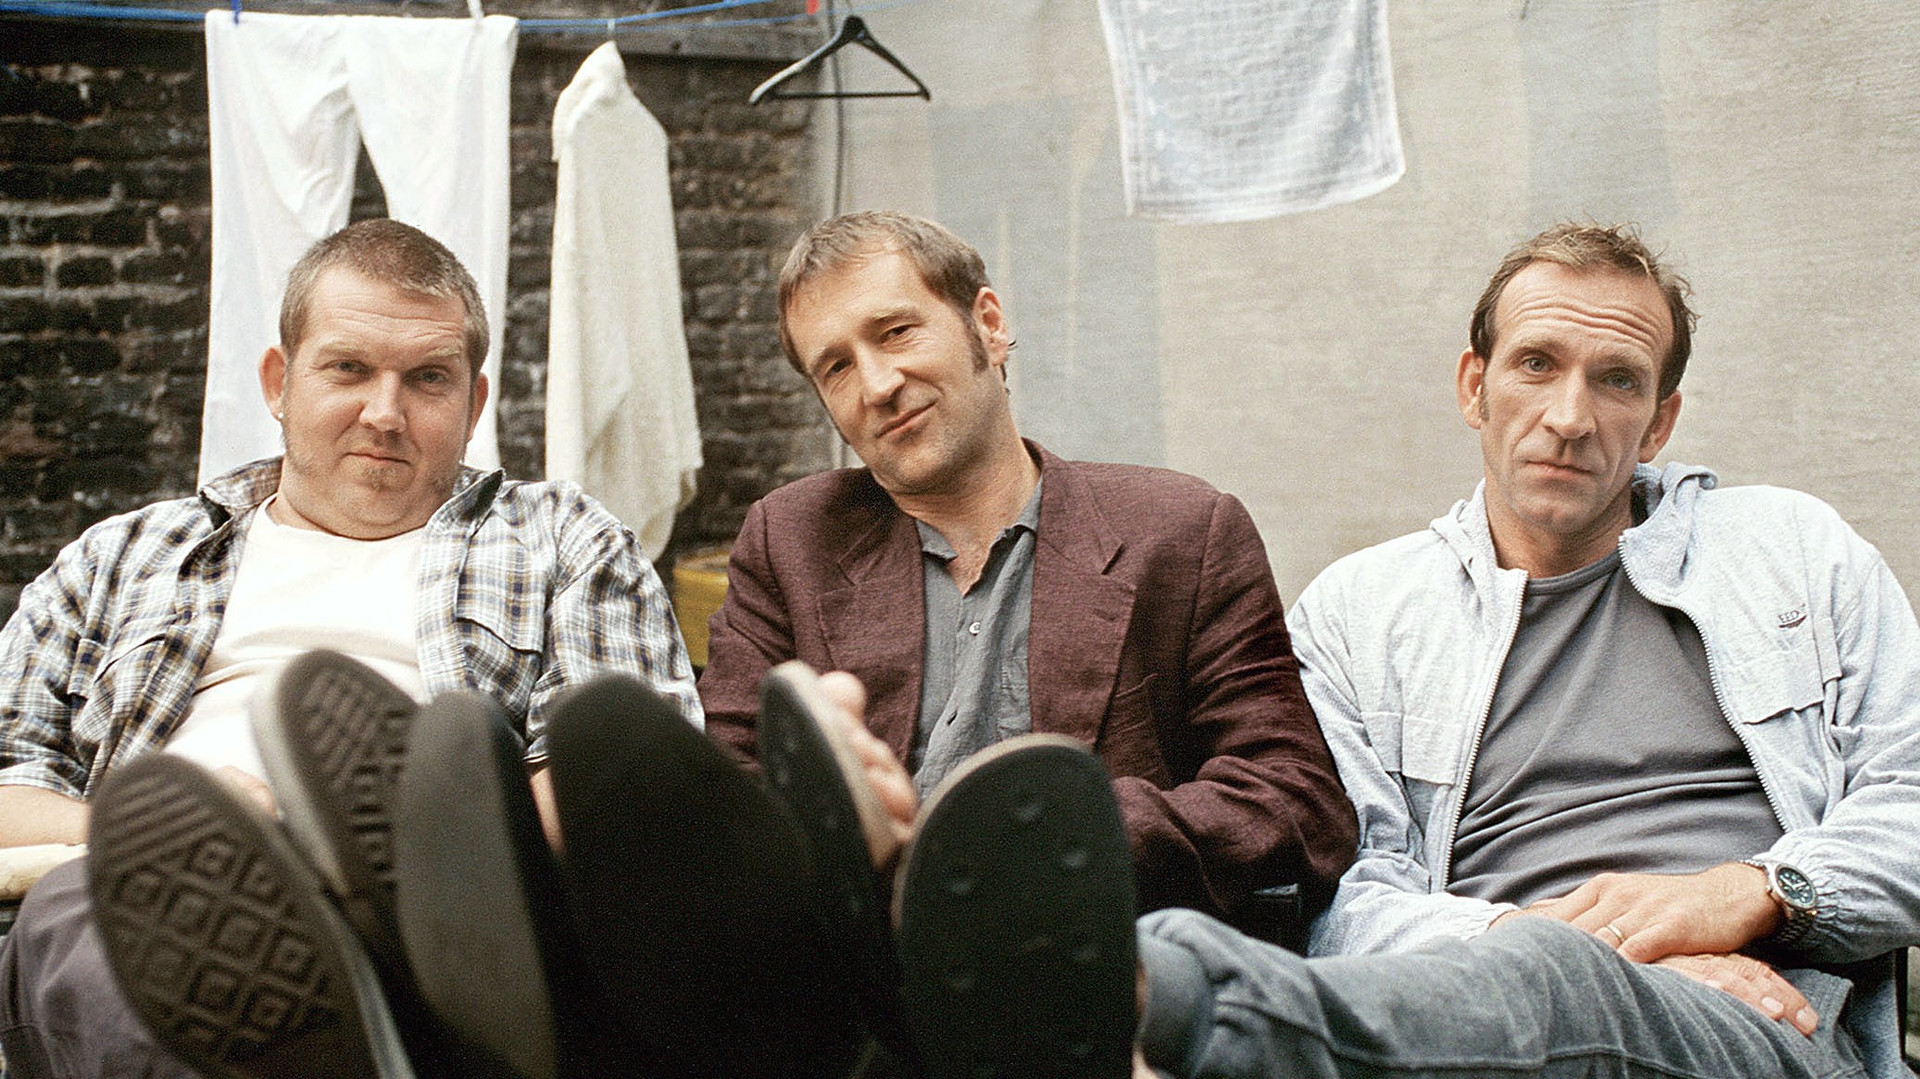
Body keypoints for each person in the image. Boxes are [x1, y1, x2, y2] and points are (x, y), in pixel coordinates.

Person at [799, 221, 1919, 1079]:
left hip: (1767, 1020)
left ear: (1661, 420)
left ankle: (1109, 993)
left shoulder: (1792, 552)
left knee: (1554, 977)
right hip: (1474, 1011)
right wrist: (1546, 936)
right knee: (1539, 969)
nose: (1570, 415)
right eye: (1536, 364)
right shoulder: (1366, 611)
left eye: (1617, 379)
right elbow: (1348, 895)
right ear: (1475, 385)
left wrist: (1755, 892)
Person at [0, 218, 699, 1079]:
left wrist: (409, 845)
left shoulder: (562, 537)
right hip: (149, 900)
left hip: (446, 911)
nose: (384, 413)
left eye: (428, 379)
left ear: (475, 404)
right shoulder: (121, 558)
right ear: (279, 381)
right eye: (348, 368)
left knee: (482, 811)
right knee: (87, 912)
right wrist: (168, 827)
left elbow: (625, 785)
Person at [697, 210, 1356, 932]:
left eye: (896, 332)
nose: (877, 384)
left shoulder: (1182, 532)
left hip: (1090, 947)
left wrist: (1049, 836)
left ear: (988, 325)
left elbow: (1297, 799)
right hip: (865, 961)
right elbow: (726, 801)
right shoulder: (790, 540)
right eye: (837, 366)